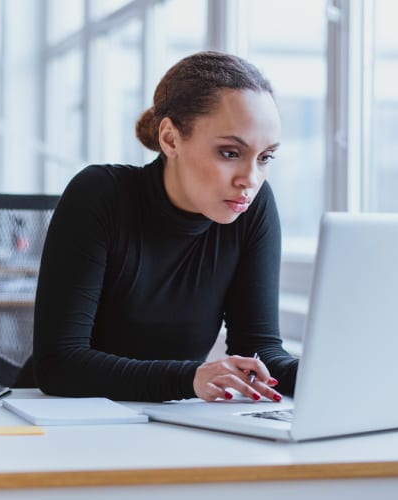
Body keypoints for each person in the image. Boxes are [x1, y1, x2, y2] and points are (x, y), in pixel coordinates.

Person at [33, 51, 299, 403]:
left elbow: (259, 349)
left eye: (265, 158)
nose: (250, 180)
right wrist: (189, 378)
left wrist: (332, 374)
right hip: (63, 420)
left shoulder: (253, 207)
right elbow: (58, 365)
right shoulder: (99, 195)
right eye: (230, 153)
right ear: (170, 139)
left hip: (167, 422)